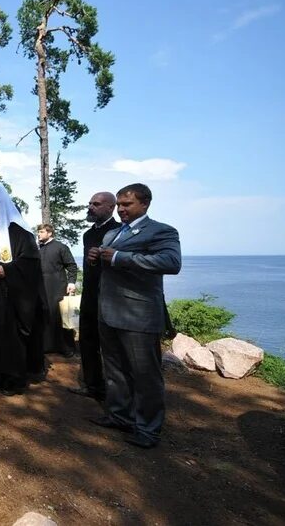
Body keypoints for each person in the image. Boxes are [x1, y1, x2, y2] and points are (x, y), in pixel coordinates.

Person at [86, 183, 181, 449]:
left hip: (139, 315)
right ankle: (120, 416)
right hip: (108, 312)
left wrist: (119, 257)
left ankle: (148, 429)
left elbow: (171, 263)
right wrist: (96, 257)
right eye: (118, 205)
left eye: (127, 205)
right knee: (115, 370)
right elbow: (107, 264)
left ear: (145, 204)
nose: (121, 210)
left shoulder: (161, 231)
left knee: (145, 375)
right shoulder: (111, 234)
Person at [0, 180, 41, 395]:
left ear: (1, 202)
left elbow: (31, 263)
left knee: (8, 337)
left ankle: (12, 379)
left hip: (10, 295)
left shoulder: (20, 232)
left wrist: (8, 270)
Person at [68, 192, 119, 401]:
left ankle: (116, 392)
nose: (90, 207)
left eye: (96, 204)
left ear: (110, 208)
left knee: (111, 346)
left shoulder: (119, 232)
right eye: (90, 203)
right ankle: (93, 385)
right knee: (88, 341)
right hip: (89, 294)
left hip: (111, 297)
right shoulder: (88, 235)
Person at [37, 224, 78, 357]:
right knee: (45, 315)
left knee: (60, 316)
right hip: (42, 287)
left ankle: (65, 347)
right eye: (38, 232)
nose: (39, 234)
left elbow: (71, 266)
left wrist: (71, 282)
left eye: (42, 232)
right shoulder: (39, 248)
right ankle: (46, 346)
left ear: (49, 233)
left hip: (58, 287)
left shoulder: (60, 247)